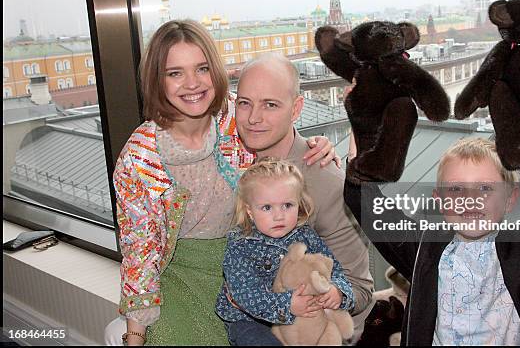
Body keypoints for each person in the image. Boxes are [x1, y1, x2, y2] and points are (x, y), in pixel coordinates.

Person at [105, 20, 337, 346]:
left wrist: (317, 145)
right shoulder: (140, 158)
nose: (192, 84)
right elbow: (140, 254)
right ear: (156, 81)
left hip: (254, 265)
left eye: (201, 68)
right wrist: (134, 335)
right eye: (175, 73)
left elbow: (276, 130)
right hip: (181, 278)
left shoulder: (235, 114)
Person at [343, 46, 520, 345]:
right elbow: (362, 198)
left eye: (485, 188)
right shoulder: (422, 251)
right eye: (456, 189)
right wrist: (362, 120)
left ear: (511, 198)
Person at [234, 53, 375, 342]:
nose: (253, 118)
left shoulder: (325, 183)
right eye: (244, 103)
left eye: (270, 105)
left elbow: (360, 290)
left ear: (296, 109)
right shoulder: (230, 160)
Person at [215, 157, 355, 345]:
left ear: (298, 204)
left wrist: (338, 291)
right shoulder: (241, 244)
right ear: (249, 211)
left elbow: (334, 269)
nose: (279, 215)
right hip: (250, 320)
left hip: (304, 318)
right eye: (266, 207)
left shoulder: (306, 235)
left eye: (287, 205)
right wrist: (288, 304)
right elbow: (245, 293)